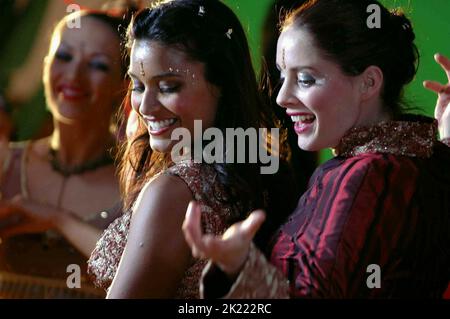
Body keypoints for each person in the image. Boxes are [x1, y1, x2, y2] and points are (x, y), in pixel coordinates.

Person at [183, 0, 450, 298]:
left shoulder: (366, 177)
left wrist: (241, 270)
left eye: (306, 79)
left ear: (369, 82)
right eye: (283, 77)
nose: (282, 97)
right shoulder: (422, 160)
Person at [86, 0, 294, 299]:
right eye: (138, 85)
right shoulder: (257, 171)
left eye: (168, 86)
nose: (146, 107)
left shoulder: (174, 192)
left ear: (221, 83)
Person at [0, 9, 127, 298]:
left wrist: (61, 220)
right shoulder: (7, 162)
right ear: (45, 65)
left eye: (98, 65)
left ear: (124, 85)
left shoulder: (138, 181)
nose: (73, 75)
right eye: (64, 57)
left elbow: (150, 281)